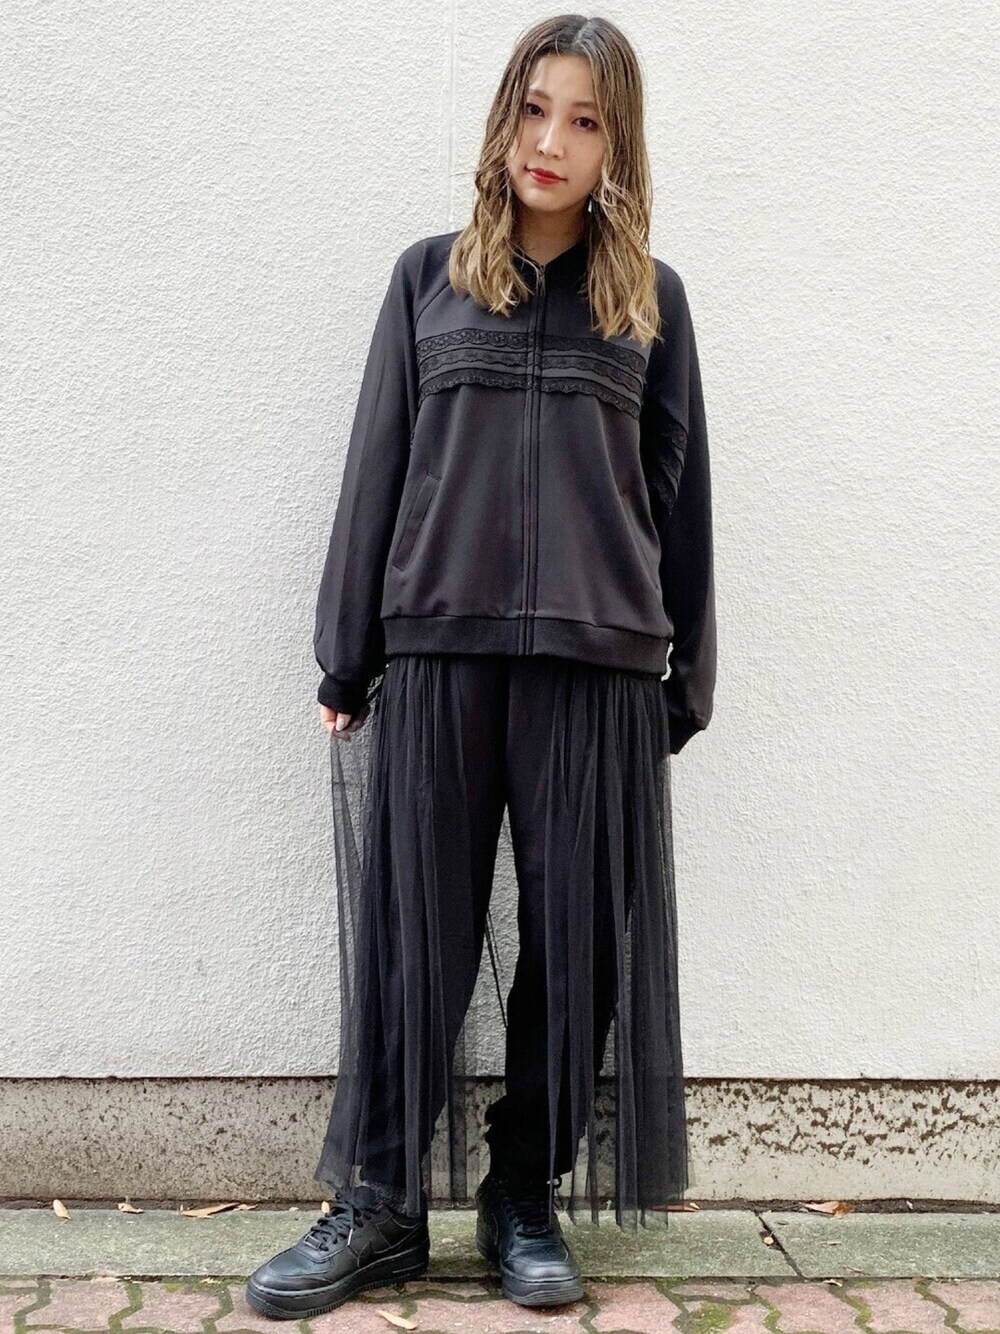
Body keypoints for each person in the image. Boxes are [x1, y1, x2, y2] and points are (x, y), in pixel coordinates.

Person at [246, 12, 716, 1322]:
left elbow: (678, 496)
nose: (551, 141)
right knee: (415, 938)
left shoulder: (651, 301)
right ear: (504, 119)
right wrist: (347, 654)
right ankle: (382, 1205)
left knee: (576, 949)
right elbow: (378, 467)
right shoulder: (427, 280)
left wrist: (683, 682)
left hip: (594, 672)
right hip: (441, 657)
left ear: (617, 145)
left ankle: (521, 1196)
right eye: (534, 110)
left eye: (584, 120)